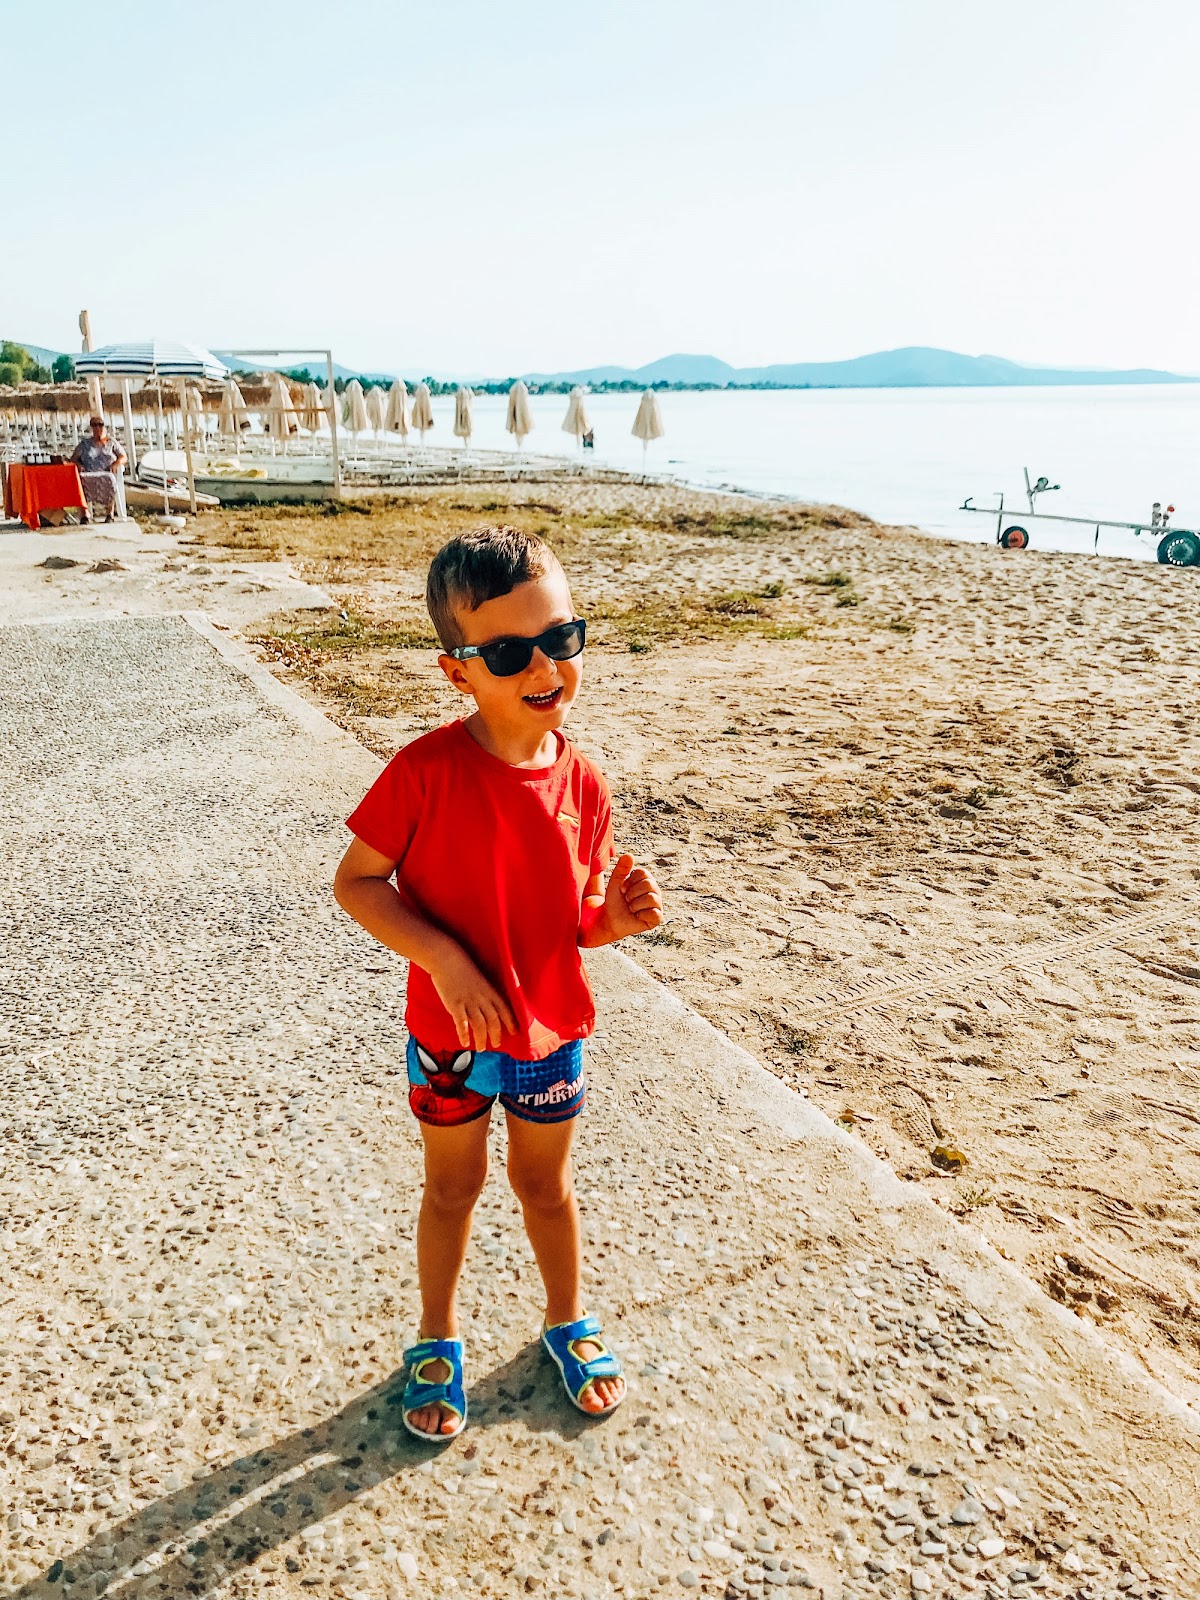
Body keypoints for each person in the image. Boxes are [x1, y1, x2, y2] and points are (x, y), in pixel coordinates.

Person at [334, 526, 663, 1440]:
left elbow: (576, 921)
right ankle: (436, 1334)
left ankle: (566, 1318)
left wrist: (613, 922)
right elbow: (356, 883)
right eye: (512, 653)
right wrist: (444, 960)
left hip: (550, 1034)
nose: (545, 666)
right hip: (450, 1042)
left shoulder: (583, 783)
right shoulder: (424, 773)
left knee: (545, 1186)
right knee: (453, 1189)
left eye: (561, 638)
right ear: (459, 673)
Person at [71, 415, 127, 524]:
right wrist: (79, 465)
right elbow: (73, 458)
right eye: (94, 425)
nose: (98, 428)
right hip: (88, 472)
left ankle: (109, 513)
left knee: (109, 480)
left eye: (100, 425)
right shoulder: (85, 444)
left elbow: (123, 456)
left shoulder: (111, 442)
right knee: (80, 480)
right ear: (91, 428)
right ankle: (84, 514)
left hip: (106, 472)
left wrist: (115, 464)